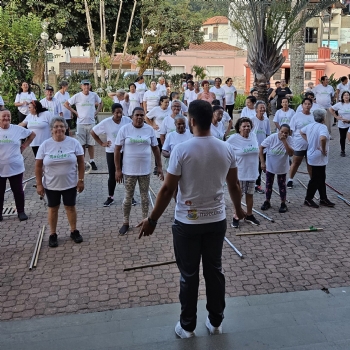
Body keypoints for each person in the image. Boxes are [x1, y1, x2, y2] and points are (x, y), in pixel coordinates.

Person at [136, 100, 245, 338]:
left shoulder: (182, 150)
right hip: (216, 221)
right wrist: (239, 209)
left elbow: (166, 190)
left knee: (189, 275)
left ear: (192, 121)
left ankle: (187, 327)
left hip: (187, 224)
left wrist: (152, 220)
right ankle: (216, 322)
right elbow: (234, 184)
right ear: (212, 119)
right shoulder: (225, 148)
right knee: (214, 271)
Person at [35, 117, 85, 247]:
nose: (59, 129)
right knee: (53, 208)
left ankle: (74, 231)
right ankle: (53, 234)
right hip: (51, 185)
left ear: (66, 128)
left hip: (70, 184)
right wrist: (39, 184)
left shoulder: (74, 143)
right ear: (51, 130)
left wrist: (81, 180)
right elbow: (38, 166)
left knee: (70, 207)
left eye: (62, 126)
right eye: (56, 126)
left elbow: (81, 162)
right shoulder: (45, 145)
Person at [114, 107, 164, 235]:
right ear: (132, 116)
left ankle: (145, 221)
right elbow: (117, 150)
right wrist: (118, 169)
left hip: (144, 171)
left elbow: (156, 149)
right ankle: (125, 223)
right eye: (137, 115)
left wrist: (159, 167)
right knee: (128, 198)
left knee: (145, 198)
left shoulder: (149, 130)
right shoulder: (124, 129)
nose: (140, 117)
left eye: (142, 115)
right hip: (129, 171)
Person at [90, 103, 132, 207]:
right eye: (116, 113)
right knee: (112, 175)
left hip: (125, 152)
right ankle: (110, 197)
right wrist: (102, 143)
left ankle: (130, 196)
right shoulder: (106, 122)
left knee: (127, 174)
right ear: (112, 113)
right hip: (111, 152)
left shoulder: (127, 120)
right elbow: (93, 132)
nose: (119, 115)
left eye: (120, 112)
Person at [0, 110, 36, 222]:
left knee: (18, 190)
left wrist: (24, 146)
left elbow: (32, 134)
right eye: (3, 116)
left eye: (8, 116)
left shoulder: (17, 129)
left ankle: (21, 212)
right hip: (0, 167)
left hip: (16, 166)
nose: (6, 117)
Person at [226, 117, 260, 227]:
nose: (246, 128)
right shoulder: (233, 139)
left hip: (252, 172)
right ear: (239, 128)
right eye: (244, 126)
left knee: (250, 195)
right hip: (240, 174)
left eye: (248, 126)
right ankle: (236, 216)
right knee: (238, 197)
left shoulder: (253, 136)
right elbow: (225, 150)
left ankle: (249, 215)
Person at [64, 79, 103, 171]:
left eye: (87, 85)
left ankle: (92, 161)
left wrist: (97, 111)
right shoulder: (77, 96)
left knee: (91, 143)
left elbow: (101, 103)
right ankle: (82, 162)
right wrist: (75, 112)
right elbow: (66, 104)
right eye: (84, 85)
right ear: (81, 86)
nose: (86, 87)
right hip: (80, 123)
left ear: (90, 86)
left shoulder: (94, 95)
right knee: (81, 144)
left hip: (91, 123)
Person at [300, 109, 334, 208]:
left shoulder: (310, 126)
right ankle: (308, 199)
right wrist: (323, 149)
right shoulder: (323, 127)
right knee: (316, 178)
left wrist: (309, 141)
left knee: (321, 177)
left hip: (312, 154)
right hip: (318, 156)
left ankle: (323, 198)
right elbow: (322, 138)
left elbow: (301, 131)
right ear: (323, 117)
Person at [260, 124, 294, 213]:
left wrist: (284, 141)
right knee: (268, 184)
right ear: (279, 130)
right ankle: (267, 201)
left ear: (289, 133)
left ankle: (283, 203)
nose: (283, 134)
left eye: (286, 133)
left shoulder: (290, 140)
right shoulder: (272, 137)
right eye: (282, 132)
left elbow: (291, 153)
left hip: (282, 167)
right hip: (270, 166)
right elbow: (261, 147)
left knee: (282, 185)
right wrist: (262, 162)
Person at [287, 98, 315, 189]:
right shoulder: (296, 116)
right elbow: (291, 130)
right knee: (296, 162)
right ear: (302, 105)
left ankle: (312, 181)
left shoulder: (313, 117)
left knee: (310, 163)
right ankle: (290, 179)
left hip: (310, 144)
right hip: (299, 143)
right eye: (305, 104)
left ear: (311, 105)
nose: (307, 106)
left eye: (309, 104)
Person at [145, 96, 170, 174]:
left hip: (168, 134)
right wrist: (152, 125)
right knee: (158, 150)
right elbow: (146, 117)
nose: (167, 104)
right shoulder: (156, 110)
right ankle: (157, 166)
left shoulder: (170, 110)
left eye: (168, 102)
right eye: (165, 102)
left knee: (168, 150)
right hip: (158, 133)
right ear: (161, 102)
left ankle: (169, 166)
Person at [251, 101, 271, 194]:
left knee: (260, 167)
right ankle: (254, 184)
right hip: (254, 148)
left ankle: (257, 185)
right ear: (256, 109)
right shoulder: (252, 120)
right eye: (260, 108)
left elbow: (267, 134)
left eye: (264, 107)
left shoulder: (266, 120)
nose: (262, 109)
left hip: (263, 148)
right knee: (255, 166)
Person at [329, 91, 350, 157]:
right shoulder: (339, 104)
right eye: (345, 95)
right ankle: (342, 150)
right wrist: (336, 117)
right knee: (342, 137)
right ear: (342, 97)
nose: (346, 96)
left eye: (347, 95)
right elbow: (331, 109)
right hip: (342, 124)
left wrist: (348, 120)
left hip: (349, 123)